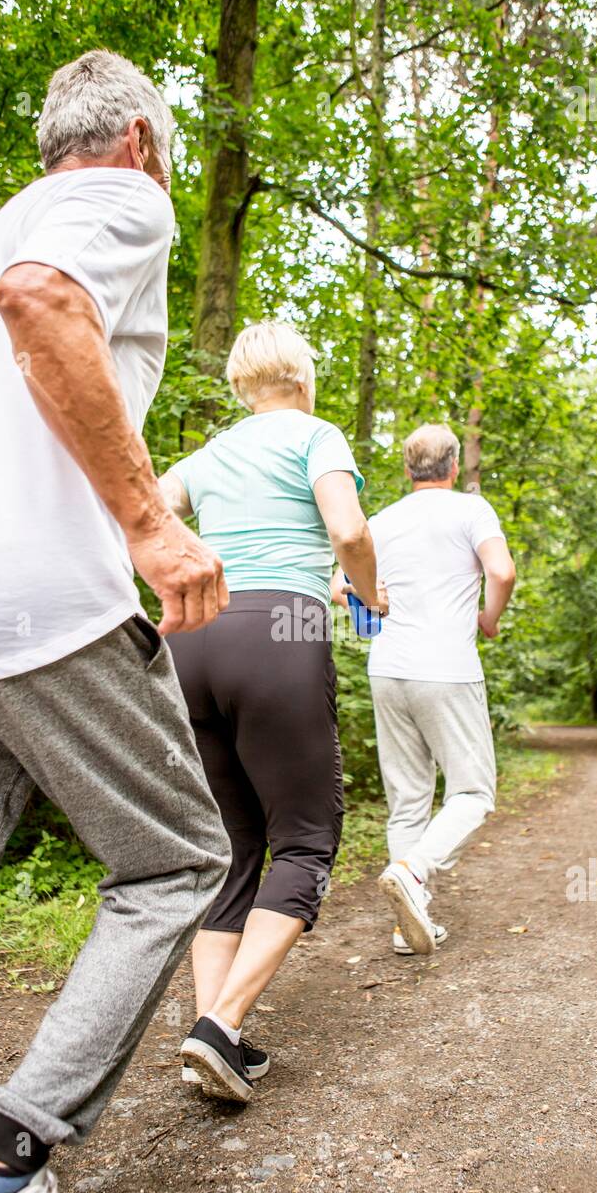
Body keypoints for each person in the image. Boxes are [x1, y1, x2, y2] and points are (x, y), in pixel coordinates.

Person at [0, 51, 232, 1193]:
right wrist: (149, 522)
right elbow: (43, 299)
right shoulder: (114, 199)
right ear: (138, 135)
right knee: (177, 857)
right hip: (36, 605)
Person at [160, 321, 384, 1103]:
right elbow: (348, 528)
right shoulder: (316, 434)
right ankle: (220, 1025)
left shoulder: (210, 453)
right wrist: (368, 587)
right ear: (305, 376)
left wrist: (179, 581)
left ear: (237, 386)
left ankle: (212, 1033)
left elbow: (146, 513)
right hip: (278, 639)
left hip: (193, 643)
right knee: (307, 836)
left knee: (232, 844)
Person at [334, 423, 515, 956]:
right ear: (454, 466)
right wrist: (489, 618)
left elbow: (338, 586)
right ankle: (413, 873)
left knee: (408, 799)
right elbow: (501, 571)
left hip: (387, 669)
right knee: (473, 791)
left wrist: (371, 602)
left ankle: (406, 925)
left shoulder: (380, 521)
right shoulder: (470, 510)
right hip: (447, 668)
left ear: (408, 469)